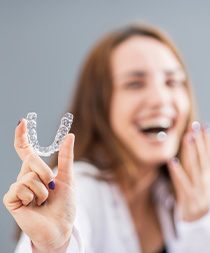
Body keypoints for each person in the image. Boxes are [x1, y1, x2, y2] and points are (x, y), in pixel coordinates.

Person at [3, 23, 210, 253]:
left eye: (172, 82)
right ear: (100, 105)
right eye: (135, 84)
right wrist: (53, 247)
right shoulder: (79, 189)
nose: (160, 99)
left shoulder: (184, 194)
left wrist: (197, 222)